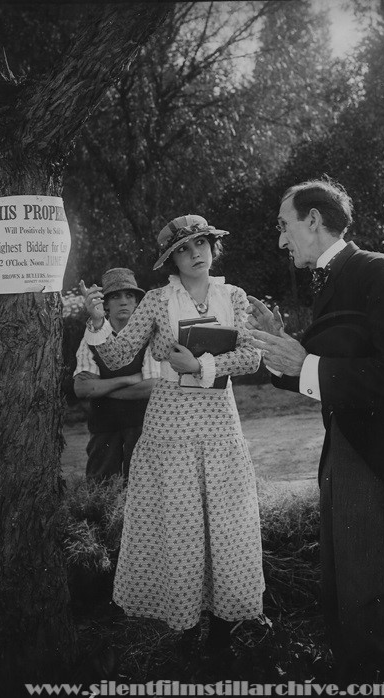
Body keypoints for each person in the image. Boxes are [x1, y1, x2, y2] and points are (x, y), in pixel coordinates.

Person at [247, 178, 384, 698]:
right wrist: (288, 350)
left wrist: (307, 361)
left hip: (377, 463)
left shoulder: (377, 271)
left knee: (366, 611)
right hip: (344, 452)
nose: (280, 240)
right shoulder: (334, 279)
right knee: (344, 603)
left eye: (284, 225)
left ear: (314, 220)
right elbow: (332, 368)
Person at [80, 215, 264, 655]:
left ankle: (222, 632)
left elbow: (252, 357)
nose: (195, 253)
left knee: (225, 527)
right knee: (179, 527)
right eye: (184, 249)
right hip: (169, 430)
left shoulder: (233, 295)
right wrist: (95, 321)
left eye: (201, 243)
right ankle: (185, 629)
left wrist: (200, 366)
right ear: (172, 259)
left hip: (220, 427)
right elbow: (120, 352)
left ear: (211, 247)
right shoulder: (159, 300)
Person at [73, 268, 159, 483]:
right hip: (104, 429)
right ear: (105, 304)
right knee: (101, 490)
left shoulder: (148, 337)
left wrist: (101, 387)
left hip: (143, 427)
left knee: (144, 490)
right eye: (115, 296)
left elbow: (152, 387)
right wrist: (129, 379)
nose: (123, 302)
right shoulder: (91, 338)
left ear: (137, 303)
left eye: (129, 296)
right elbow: (82, 388)